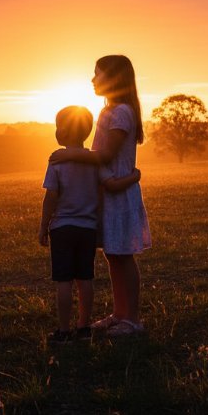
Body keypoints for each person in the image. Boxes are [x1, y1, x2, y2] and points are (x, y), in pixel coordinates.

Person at [50, 55, 152, 337]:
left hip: (119, 193)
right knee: (113, 254)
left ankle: (131, 320)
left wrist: (71, 153)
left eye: (97, 74)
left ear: (114, 78)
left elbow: (106, 155)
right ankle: (119, 314)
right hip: (110, 191)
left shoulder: (120, 112)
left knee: (123, 256)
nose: (92, 80)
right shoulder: (110, 112)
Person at [39, 105, 140, 343]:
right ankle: (84, 328)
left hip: (62, 229)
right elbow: (113, 185)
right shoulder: (94, 162)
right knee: (85, 278)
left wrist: (43, 226)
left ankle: (64, 331)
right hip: (88, 230)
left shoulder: (57, 161)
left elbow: (51, 197)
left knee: (64, 281)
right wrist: (135, 177)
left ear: (60, 132)